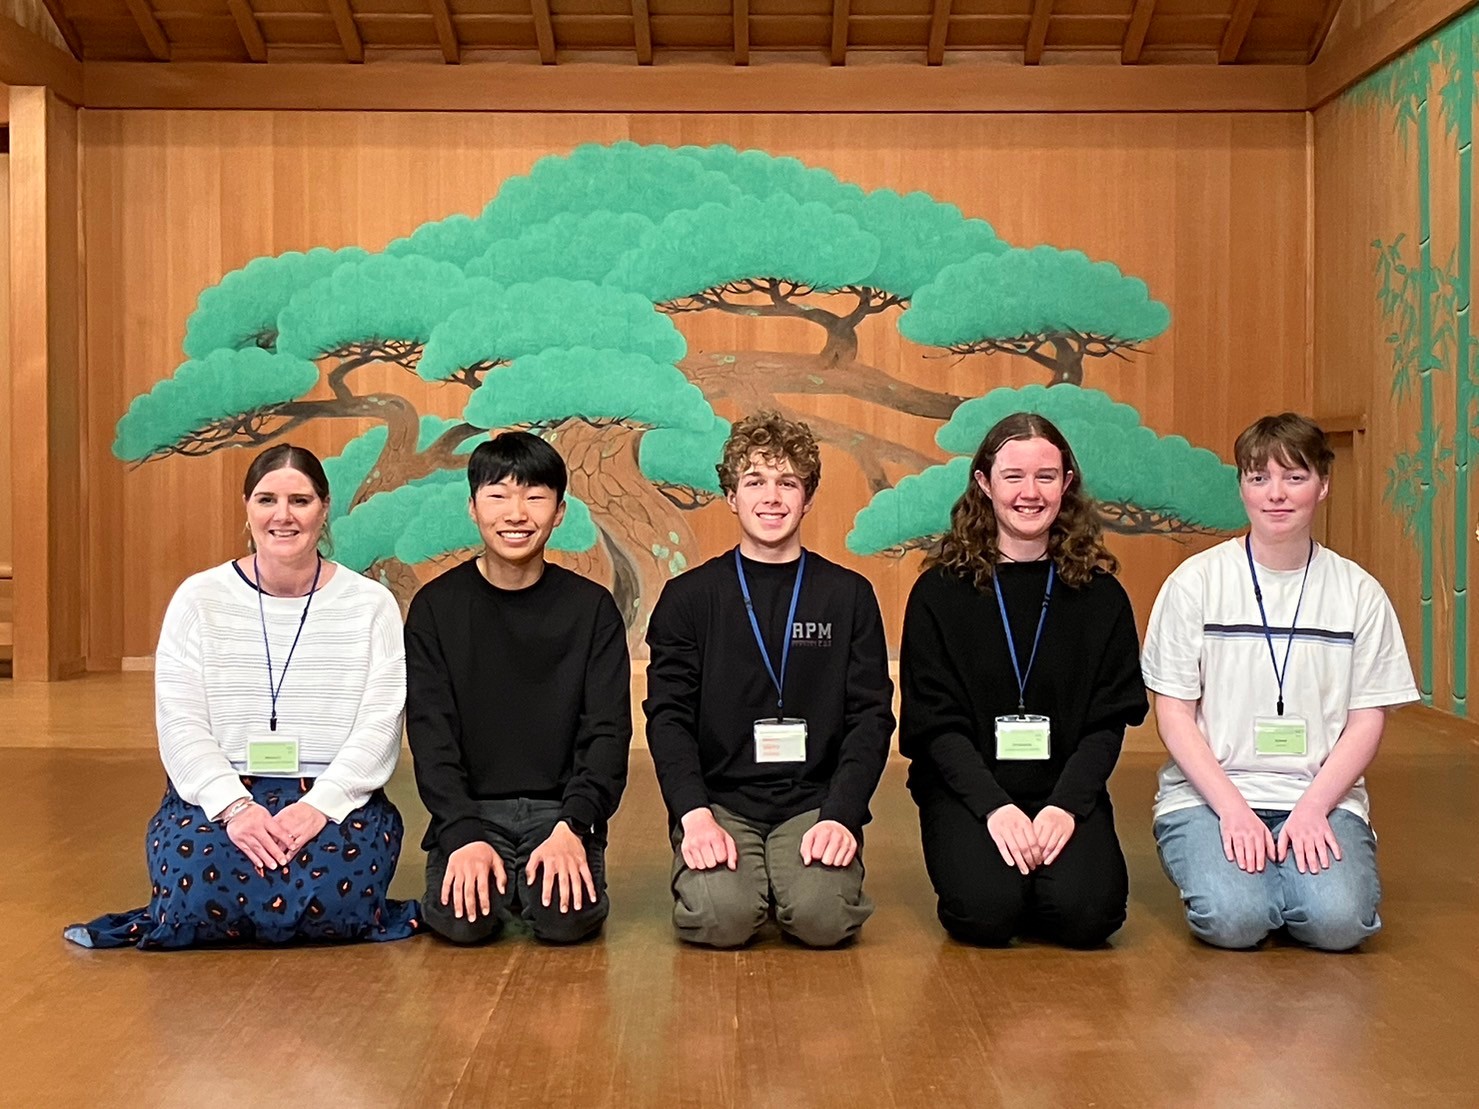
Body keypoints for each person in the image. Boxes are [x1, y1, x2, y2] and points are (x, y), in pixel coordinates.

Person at [64, 444, 418, 948]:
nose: (283, 515)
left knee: (340, 891)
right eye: (267, 499)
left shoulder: (371, 604)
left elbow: (382, 723)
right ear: (246, 507)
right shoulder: (198, 598)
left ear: (324, 507)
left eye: (300, 500)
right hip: (223, 794)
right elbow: (180, 722)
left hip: (335, 794)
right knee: (199, 871)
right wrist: (236, 808)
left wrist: (317, 806)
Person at [1143, 413, 1419, 951]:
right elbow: (1173, 713)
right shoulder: (1195, 583)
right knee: (1236, 921)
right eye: (1258, 478)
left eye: (1294, 478)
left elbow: (1367, 720)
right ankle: (1258, 885)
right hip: (1209, 794)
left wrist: (1315, 807)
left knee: (1339, 925)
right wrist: (1234, 810)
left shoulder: (1358, 593)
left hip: (1318, 793)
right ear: (1242, 486)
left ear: (1324, 486)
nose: (1276, 494)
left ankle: (1292, 882)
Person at [644, 411, 894, 949]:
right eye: (755, 481)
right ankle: (747, 881)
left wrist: (842, 815)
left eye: (788, 482)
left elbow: (871, 718)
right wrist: (694, 816)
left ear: (808, 496)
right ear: (732, 496)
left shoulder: (848, 596)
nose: (772, 496)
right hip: (721, 803)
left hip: (813, 803)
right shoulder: (688, 599)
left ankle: (793, 884)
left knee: (823, 920)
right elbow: (669, 720)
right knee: (721, 919)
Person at [899, 412, 1148, 948]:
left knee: (1089, 917)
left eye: (1045, 476)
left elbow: (1108, 723)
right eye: (1013, 476)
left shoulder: (1101, 597)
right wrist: (995, 808)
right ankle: (1013, 882)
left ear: (1067, 485)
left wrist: (1065, 807)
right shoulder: (939, 594)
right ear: (984, 484)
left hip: (1063, 790)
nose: (1029, 492)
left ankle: (1039, 879)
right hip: (970, 792)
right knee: (985, 914)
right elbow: (936, 727)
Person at [405, 431, 630, 945]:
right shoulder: (436, 608)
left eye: (534, 496)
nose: (516, 513)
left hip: (560, 811)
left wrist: (574, 826)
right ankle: (501, 878)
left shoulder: (591, 609)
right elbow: (431, 736)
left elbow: (607, 735)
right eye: (498, 495)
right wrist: (459, 832)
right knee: (461, 923)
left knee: (565, 920)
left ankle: (527, 880)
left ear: (560, 511)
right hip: (472, 809)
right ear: (472, 507)